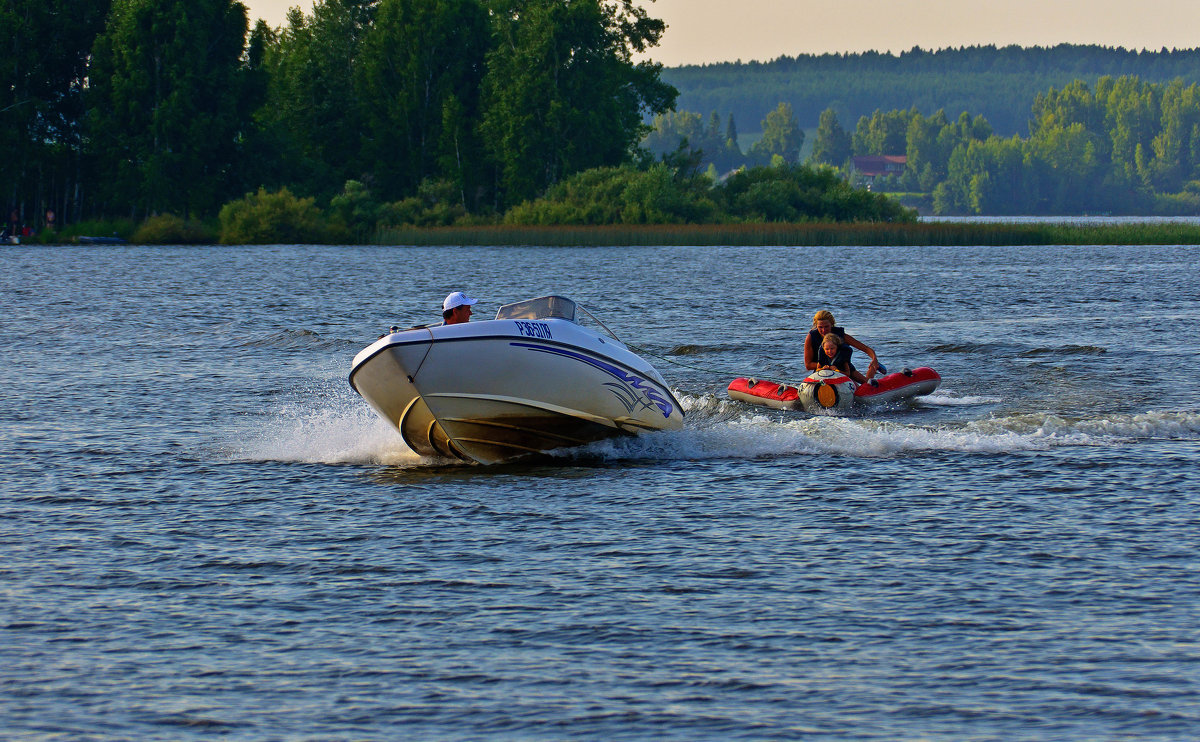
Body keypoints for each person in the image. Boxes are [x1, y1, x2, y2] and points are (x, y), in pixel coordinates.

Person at [803, 309, 880, 383]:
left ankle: (873, 370)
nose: (823, 330)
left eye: (826, 326)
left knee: (866, 383)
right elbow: (808, 365)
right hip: (822, 369)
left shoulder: (840, 335)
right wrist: (828, 367)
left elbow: (865, 349)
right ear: (816, 326)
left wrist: (874, 359)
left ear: (831, 324)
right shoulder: (811, 337)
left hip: (843, 368)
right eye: (820, 327)